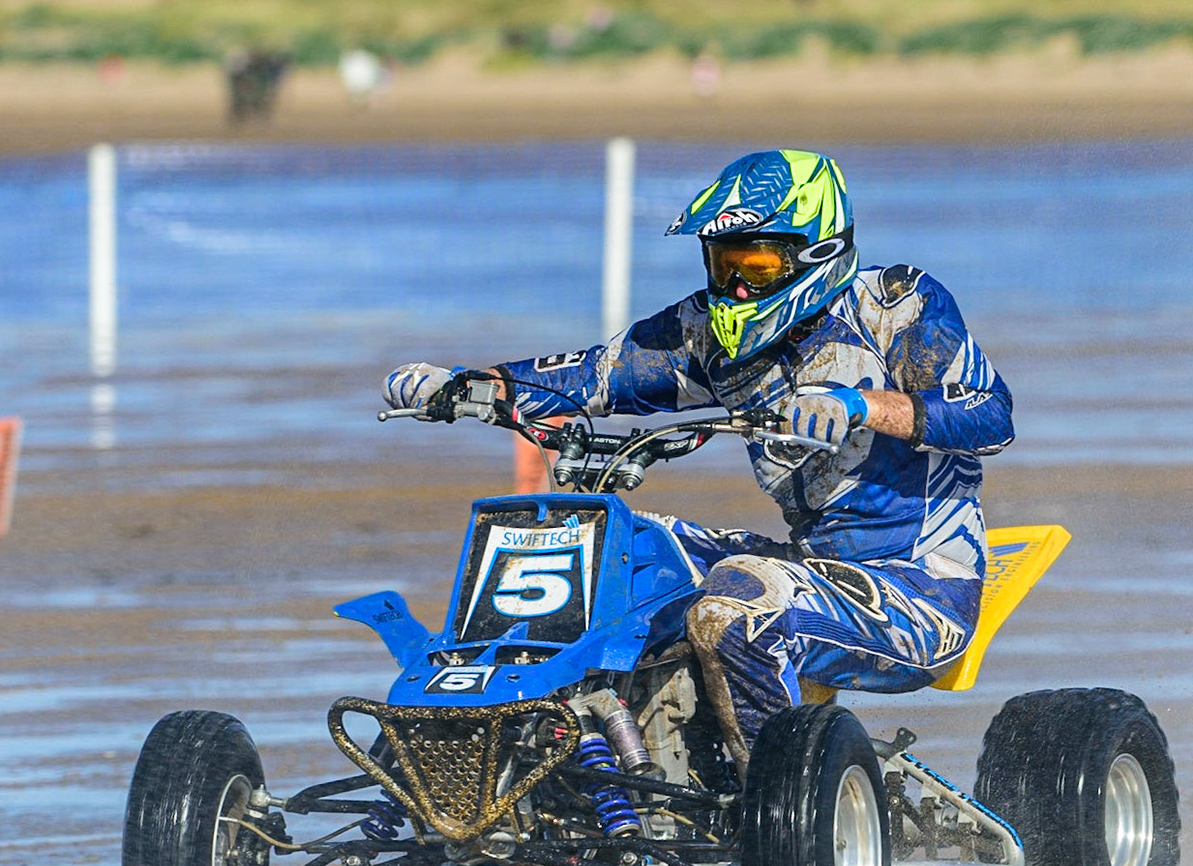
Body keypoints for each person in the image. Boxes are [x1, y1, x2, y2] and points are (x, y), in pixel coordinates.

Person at [380, 150, 1014, 768]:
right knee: (612, 549)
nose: (736, 286)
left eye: (758, 266)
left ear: (817, 251)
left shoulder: (897, 307)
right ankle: (561, 767)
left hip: (919, 589)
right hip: (809, 567)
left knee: (730, 611)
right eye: (724, 264)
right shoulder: (705, 332)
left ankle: (770, 809)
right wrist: (467, 385)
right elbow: (592, 376)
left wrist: (864, 406)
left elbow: (991, 416)